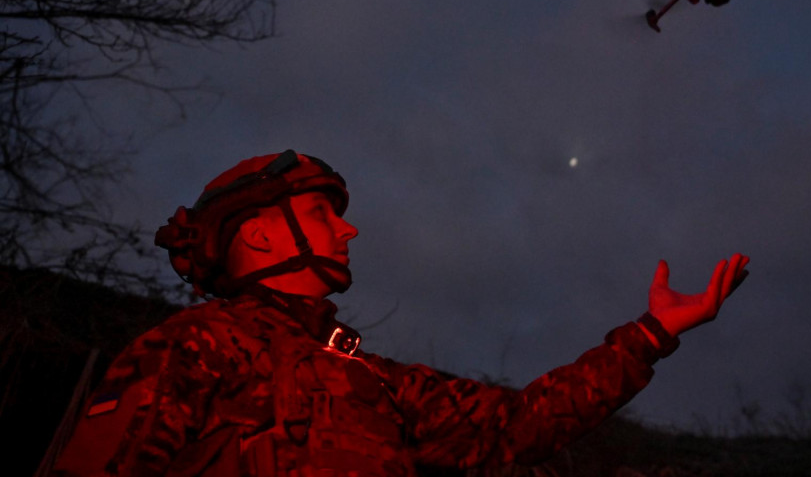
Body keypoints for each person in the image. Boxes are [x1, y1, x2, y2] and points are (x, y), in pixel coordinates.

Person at [53, 150, 749, 476]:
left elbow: (518, 426)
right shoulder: (195, 345)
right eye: (325, 213)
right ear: (260, 234)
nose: (349, 230)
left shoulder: (372, 378)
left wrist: (651, 334)